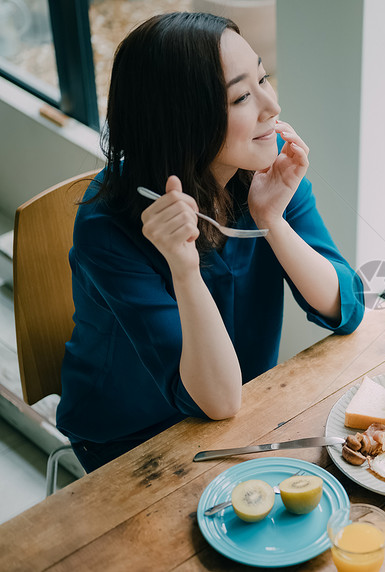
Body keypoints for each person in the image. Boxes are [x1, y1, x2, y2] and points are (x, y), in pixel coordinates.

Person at [57, 12, 365, 472]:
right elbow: (217, 399)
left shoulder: (266, 166)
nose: (271, 106)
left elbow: (347, 305)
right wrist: (183, 268)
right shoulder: (109, 227)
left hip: (242, 412)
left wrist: (272, 220)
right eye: (242, 95)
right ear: (181, 119)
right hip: (131, 441)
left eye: (264, 78)